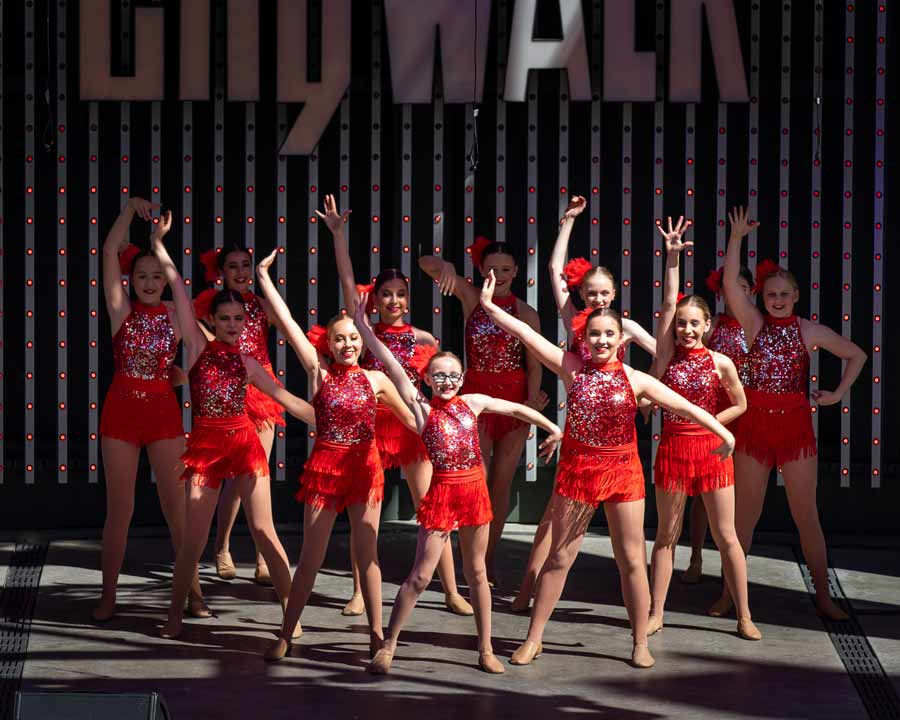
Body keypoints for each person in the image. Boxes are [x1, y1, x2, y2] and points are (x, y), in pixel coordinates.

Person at [480, 270, 735, 669]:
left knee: (631, 559)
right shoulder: (572, 368)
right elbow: (528, 336)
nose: (600, 341)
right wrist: (491, 307)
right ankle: (534, 637)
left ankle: (639, 641)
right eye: (593, 335)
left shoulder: (636, 379)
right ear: (583, 338)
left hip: (623, 474)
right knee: (560, 558)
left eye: (608, 335)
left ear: (621, 339)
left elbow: (686, 406)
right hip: (579, 472)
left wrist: (724, 432)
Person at [355, 298, 562, 674]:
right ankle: (388, 644)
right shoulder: (421, 409)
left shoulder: (474, 401)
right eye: (440, 376)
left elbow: (517, 409)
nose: (447, 382)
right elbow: (388, 362)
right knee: (419, 576)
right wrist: (364, 327)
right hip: (443, 496)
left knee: (477, 572)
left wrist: (553, 427)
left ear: (462, 378)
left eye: (453, 375)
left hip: (474, 495)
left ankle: (485, 649)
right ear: (428, 380)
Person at [150, 215, 315, 639]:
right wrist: (160, 246)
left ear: (245, 322)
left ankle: (289, 612)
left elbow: (288, 401)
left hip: (243, 443)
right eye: (225, 319)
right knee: (193, 539)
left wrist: (328, 416)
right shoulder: (200, 347)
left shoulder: (249, 362)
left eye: (238, 320)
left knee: (264, 528)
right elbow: (180, 293)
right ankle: (174, 616)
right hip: (205, 445)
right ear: (214, 320)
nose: (232, 325)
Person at [253, 251, 417, 662]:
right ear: (328, 342)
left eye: (354, 338)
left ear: (363, 343)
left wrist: (453, 424)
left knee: (368, 557)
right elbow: (290, 326)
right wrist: (262, 277)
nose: (347, 344)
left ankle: (377, 638)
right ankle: (287, 633)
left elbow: (414, 419)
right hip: (326, 469)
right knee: (310, 558)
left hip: (365, 470)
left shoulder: (377, 378)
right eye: (339, 338)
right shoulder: (319, 373)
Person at [318, 194, 472, 617]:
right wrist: (338, 237)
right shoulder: (362, 330)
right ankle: (357, 590)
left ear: (409, 298)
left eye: (400, 294)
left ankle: (451, 589)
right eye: (386, 294)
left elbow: (440, 382)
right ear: (376, 300)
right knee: (362, 517)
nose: (394, 301)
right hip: (367, 428)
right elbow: (349, 290)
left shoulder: (423, 337)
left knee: (433, 505)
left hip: (408, 426)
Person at [713, 206, 867, 621]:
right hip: (755, 426)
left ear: (797, 296)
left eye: (784, 294)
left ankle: (822, 594)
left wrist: (837, 394)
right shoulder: (753, 323)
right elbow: (730, 284)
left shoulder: (808, 330)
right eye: (770, 295)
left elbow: (856, 354)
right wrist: (736, 238)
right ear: (760, 298)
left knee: (806, 515)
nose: (777, 300)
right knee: (744, 516)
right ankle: (732, 594)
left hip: (795, 427)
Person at [511, 195, 656, 612]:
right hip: (581, 426)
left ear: (614, 293)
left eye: (604, 293)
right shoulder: (572, 318)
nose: (597, 299)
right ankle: (527, 589)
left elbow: (661, 351)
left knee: (611, 526)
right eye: (591, 293)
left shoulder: (623, 326)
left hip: (615, 427)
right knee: (552, 519)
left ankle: (632, 603)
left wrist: (647, 395)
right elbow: (554, 270)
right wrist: (569, 222)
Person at [647, 216, 760, 642]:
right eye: (681, 323)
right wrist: (672, 259)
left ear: (709, 326)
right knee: (666, 534)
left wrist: (711, 424)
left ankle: (744, 614)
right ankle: (657, 611)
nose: (687, 329)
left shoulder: (721, 362)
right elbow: (668, 301)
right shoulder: (666, 355)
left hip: (713, 453)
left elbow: (741, 405)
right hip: (673, 450)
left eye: (695, 324)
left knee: (726, 535)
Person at [94, 197, 204, 622]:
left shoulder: (177, 314)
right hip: (121, 414)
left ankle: (193, 592)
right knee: (120, 509)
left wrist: (182, 376)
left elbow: (200, 346)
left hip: (162, 415)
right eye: (142, 276)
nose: (150, 282)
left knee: (178, 509)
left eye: (157, 276)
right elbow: (108, 252)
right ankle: (108, 594)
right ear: (131, 280)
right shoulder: (120, 311)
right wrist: (126, 211)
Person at [419, 241, 546, 586]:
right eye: (492, 269)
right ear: (481, 270)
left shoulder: (526, 312)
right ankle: (470, 559)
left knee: (501, 486)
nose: (499, 276)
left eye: (506, 270)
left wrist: (533, 401)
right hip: (475, 400)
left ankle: (485, 562)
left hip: (514, 402)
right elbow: (424, 263)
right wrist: (444, 266)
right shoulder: (473, 298)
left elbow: (534, 365)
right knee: (476, 484)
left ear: (517, 272)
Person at [194, 242, 289, 586]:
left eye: (245, 265)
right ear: (221, 272)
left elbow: (286, 322)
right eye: (232, 266)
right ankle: (222, 547)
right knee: (230, 481)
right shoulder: (212, 307)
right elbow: (196, 338)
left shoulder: (261, 306)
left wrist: (264, 280)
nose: (240, 272)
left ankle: (263, 556)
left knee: (256, 475)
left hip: (261, 390)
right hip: (225, 392)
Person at [682, 263, 754, 584]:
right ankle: (695, 557)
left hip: (747, 414)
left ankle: (731, 572)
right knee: (702, 492)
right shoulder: (712, 328)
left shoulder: (757, 325)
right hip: (711, 415)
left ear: (751, 291)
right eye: (728, 287)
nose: (734, 292)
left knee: (737, 495)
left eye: (740, 286)